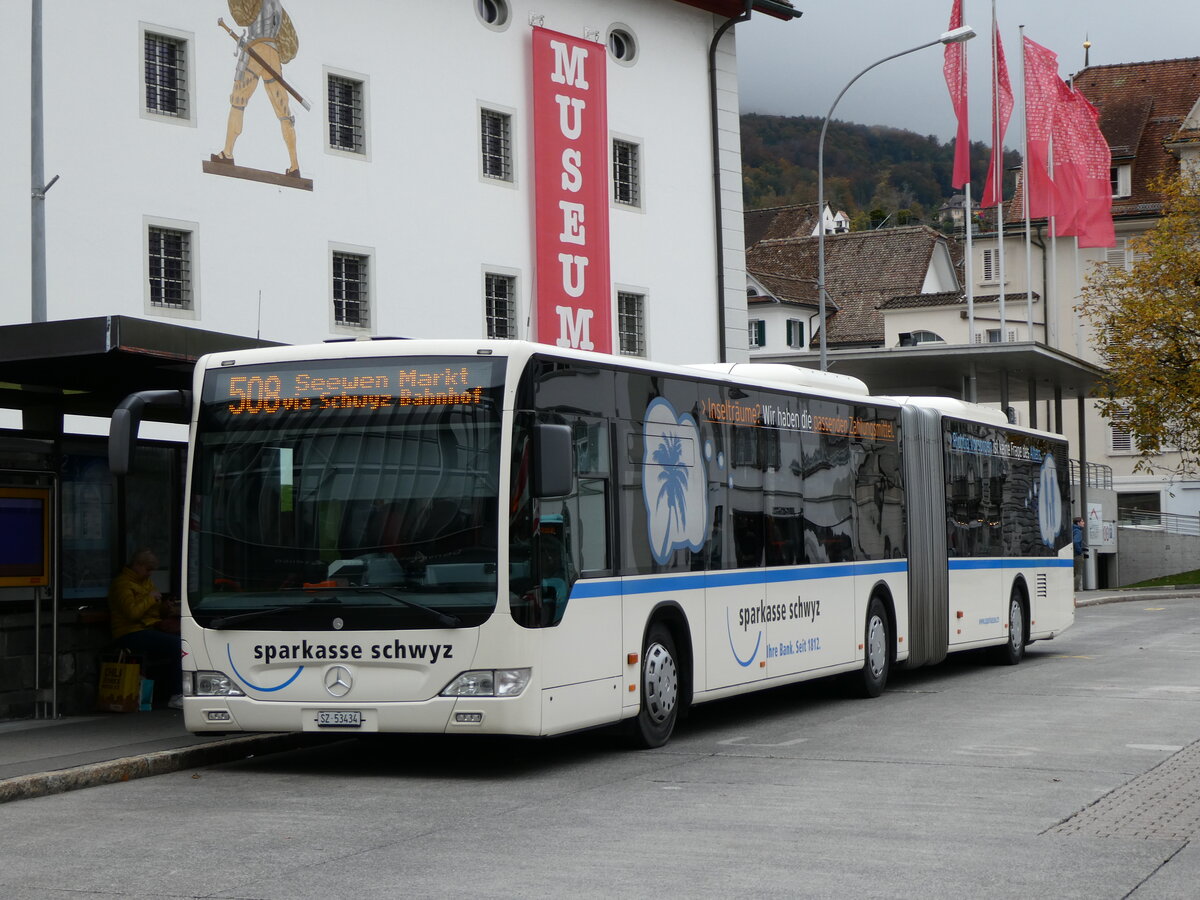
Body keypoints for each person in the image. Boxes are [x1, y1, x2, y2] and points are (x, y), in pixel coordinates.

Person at [211, 0, 302, 177]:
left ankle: (228, 152)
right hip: (273, 54)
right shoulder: (278, 6)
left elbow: (242, 17)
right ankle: (294, 165)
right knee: (283, 109)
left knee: (238, 100)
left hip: (256, 48)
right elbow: (290, 42)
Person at [108, 549, 183, 709]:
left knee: (186, 640)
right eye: (148, 569)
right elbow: (132, 614)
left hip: (149, 627)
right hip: (130, 632)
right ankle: (177, 694)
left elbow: (153, 611)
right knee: (177, 645)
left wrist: (164, 607)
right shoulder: (122, 584)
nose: (150, 574)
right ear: (137, 565)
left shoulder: (146, 583)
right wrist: (150, 599)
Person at [1072, 516, 1087, 591]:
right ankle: (1076, 589)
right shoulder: (1078, 531)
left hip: (1071, 554)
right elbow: (1076, 542)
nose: (1084, 523)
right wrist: (1079, 551)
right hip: (1077, 555)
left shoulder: (1071, 529)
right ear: (1078, 523)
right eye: (1082, 521)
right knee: (1078, 573)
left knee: (1073, 573)